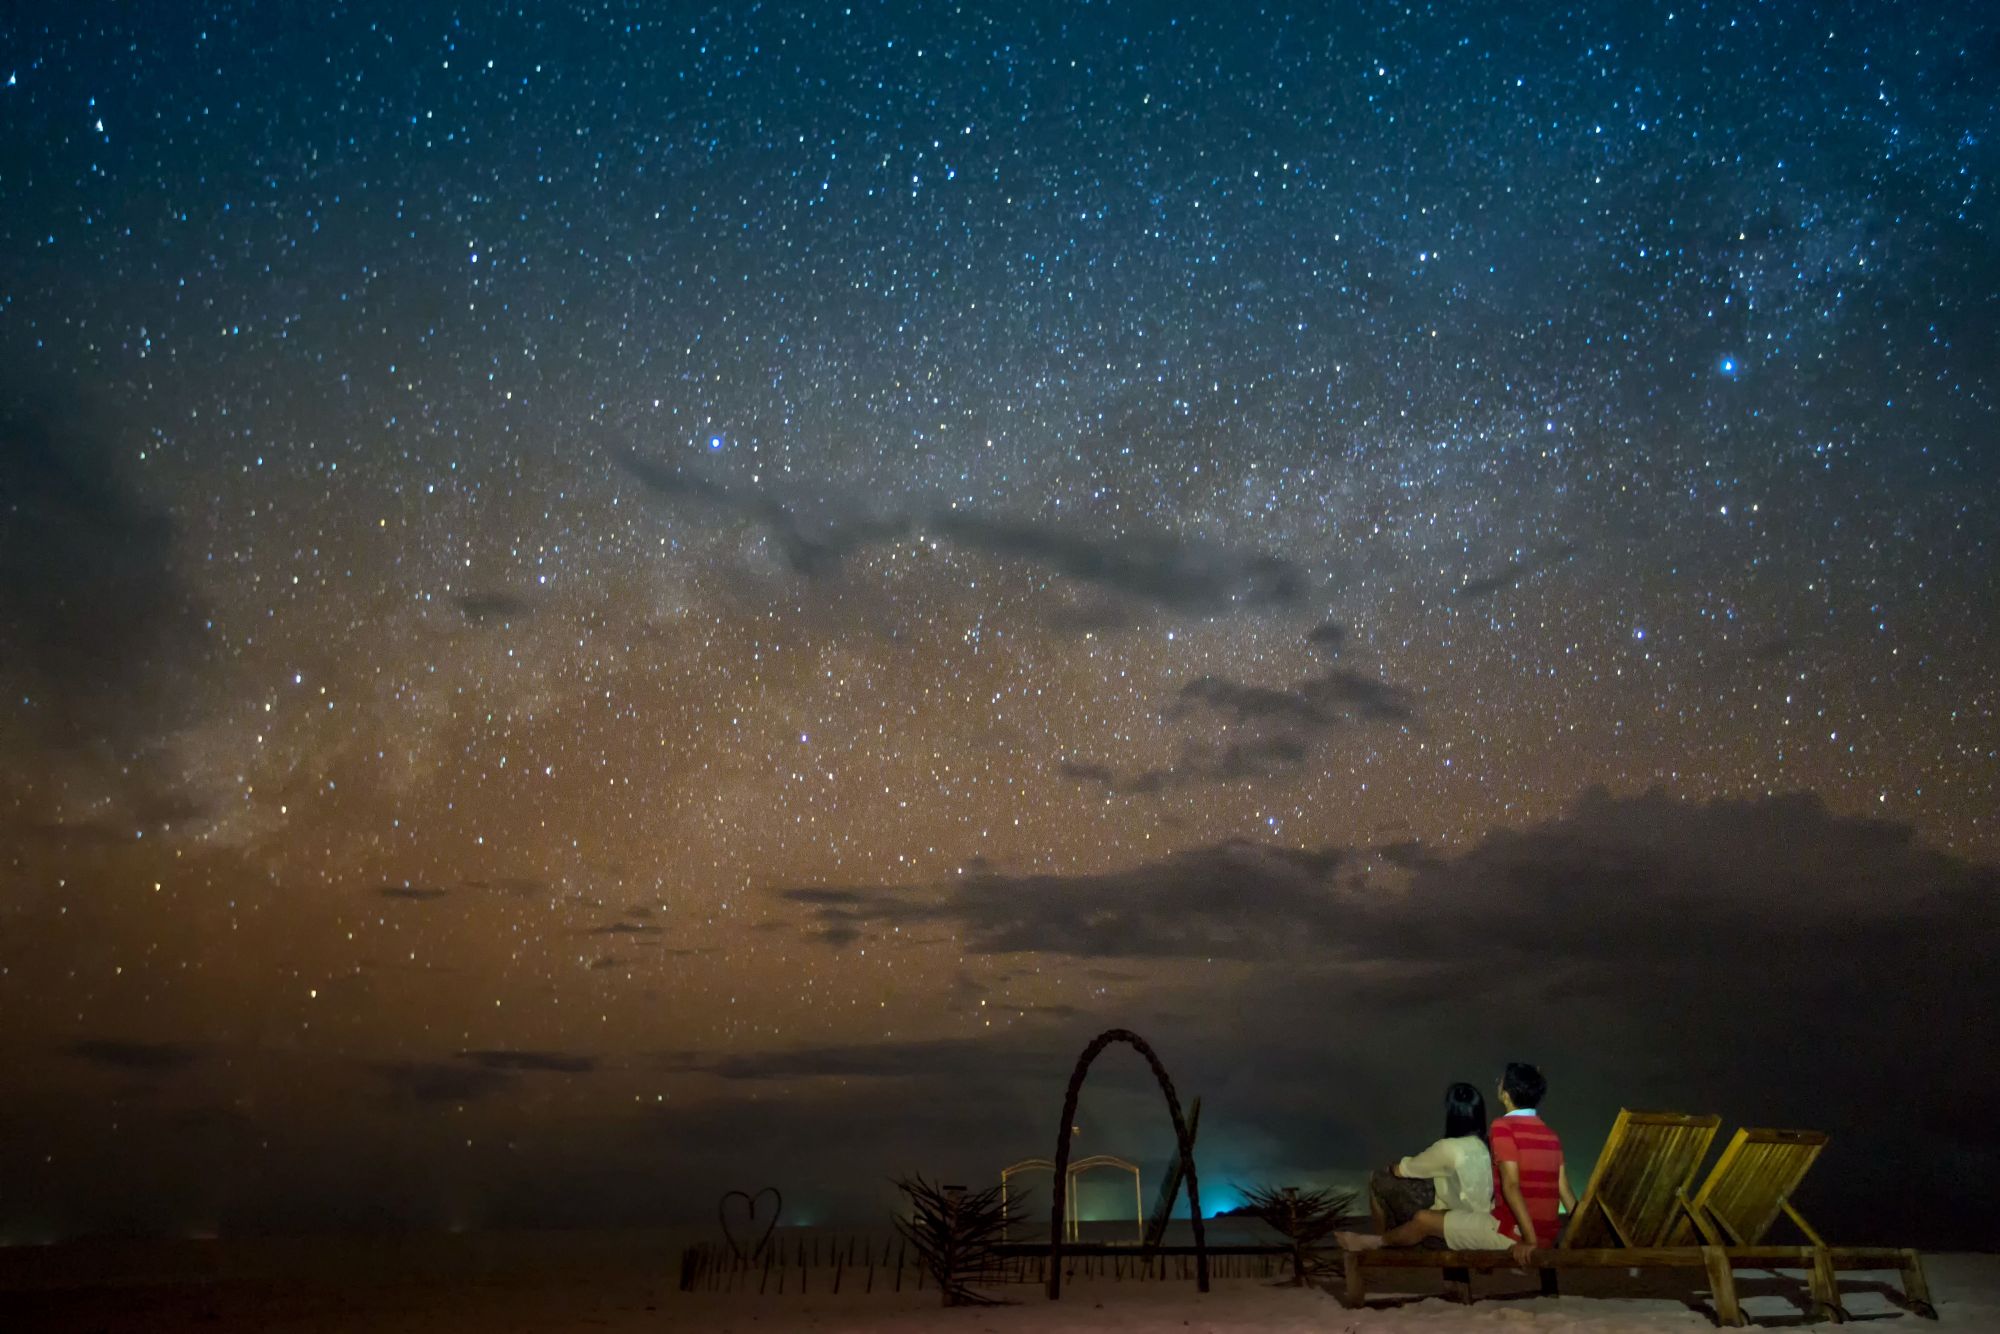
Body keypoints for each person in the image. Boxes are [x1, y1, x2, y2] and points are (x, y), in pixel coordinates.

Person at [1336, 1082, 1517, 1254]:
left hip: (1460, 1224)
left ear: (1452, 1114)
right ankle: (1384, 1240)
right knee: (1432, 1189)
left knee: (1377, 1178)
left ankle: (1380, 1241)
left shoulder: (1448, 1148)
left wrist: (1393, 1167)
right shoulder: (1488, 1146)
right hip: (1484, 1220)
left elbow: (1402, 1170)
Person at [1488, 1061, 1578, 1265]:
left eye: (1500, 1082)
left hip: (1514, 1231)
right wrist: (1584, 1230)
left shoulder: (1502, 1127)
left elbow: (1511, 1185)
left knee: (1428, 1222)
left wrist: (1530, 1240)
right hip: (1547, 1235)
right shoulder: (1551, 1135)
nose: (1498, 1085)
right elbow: (1564, 1191)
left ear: (1506, 1094)